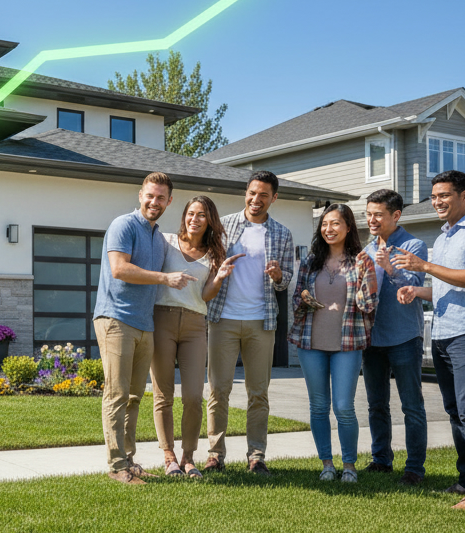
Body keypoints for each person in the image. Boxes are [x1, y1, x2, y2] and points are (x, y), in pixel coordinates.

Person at [394, 170, 465, 510]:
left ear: (464, 196)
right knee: (455, 411)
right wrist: (418, 291)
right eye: (434, 196)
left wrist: (424, 267)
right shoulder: (442, 239)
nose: (437, 202)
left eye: (444, 195)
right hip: (441, 333)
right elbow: (446, 285)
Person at [94, 172, 198, 485]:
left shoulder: (158, 238)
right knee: (117, 394)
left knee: (134, 396)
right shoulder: (124, 225)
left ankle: (129, 461)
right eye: (150, 195)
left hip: (144, 323)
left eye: (161, 197)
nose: (155, 202)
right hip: (116, 319)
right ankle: (117, 467)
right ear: (141, 195)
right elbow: (119, 268)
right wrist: (165, 278)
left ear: (169, 201)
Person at [203, 170, 295, 476]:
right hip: (223, 319)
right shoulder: (223, 225)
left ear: (274, 198)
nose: (256, 200)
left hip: (261, 321)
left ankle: (256, 456)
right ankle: (215, 454)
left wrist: (279, 277)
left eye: (264, 195)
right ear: (246, 193)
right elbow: (207, 264)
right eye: (252, 193)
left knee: (258, 393)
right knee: (218, 390)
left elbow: (286, 280)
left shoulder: (282, 233)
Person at [150, 195, 240, 478]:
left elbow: (206, 295)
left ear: (209, 220)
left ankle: (188, 457)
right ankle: (169, 456)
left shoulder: (214, 253)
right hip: (162, 319)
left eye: (201, 215)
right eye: (191, 213)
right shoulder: (166, 241)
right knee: (163, 394)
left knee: (192, 396)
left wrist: (219, 277)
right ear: (184, 216)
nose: (195, 219)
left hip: (194, 324)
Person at [290, 204, 378, 482]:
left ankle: (349, 465)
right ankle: (327, 464)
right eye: (325, 224)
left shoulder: (361, 261)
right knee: (318, 407)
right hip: (310, 343)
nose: (329, 229)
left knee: (343, 407)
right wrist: (304, 300)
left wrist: (363, 288)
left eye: (335, 223)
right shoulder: (310, 262)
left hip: (347, 344)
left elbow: (370, 304)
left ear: (348, 227)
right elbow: (296, 300)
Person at [361, 188, 429, 486]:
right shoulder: (366, 249)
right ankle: (381, 460)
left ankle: (414, 468)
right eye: (368, 214)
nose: (371, 220)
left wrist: (389, 268)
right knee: (376, 405)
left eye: (378, 214)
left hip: (404, 338)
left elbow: (413, 287)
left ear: (396, 215)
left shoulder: (413, 246)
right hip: (372, 339)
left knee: (411, 406)